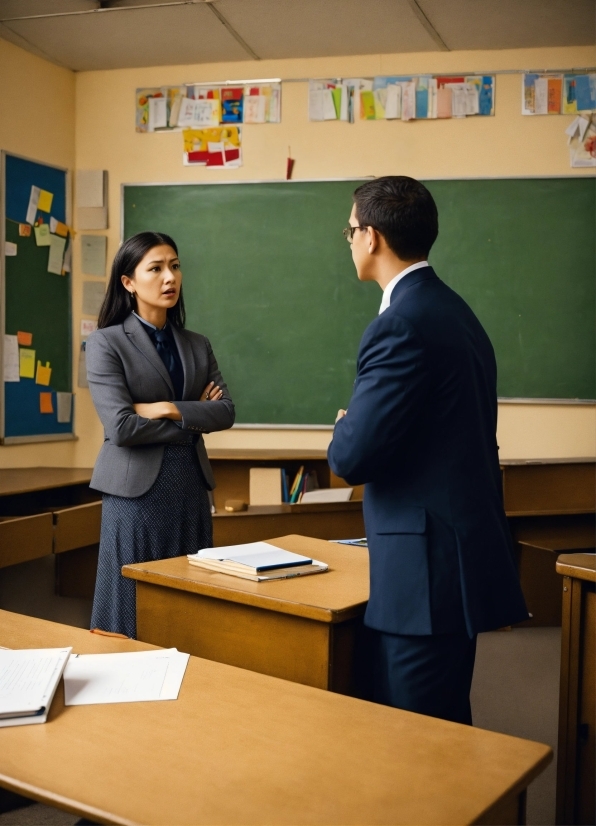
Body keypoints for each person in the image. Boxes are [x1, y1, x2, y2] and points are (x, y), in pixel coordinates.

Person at [327, 176, 528, 725]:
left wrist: (347, 426)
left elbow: (351, 457)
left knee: (420, 739)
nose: (348, 241)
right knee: (436, 727)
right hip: (448, 559)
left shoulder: (401, 325)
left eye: (349, 231)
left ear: (371, 237)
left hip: (425, 575)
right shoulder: (453, 311)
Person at [86, 231, 234, 638]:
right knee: (131, 606)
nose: (169, 277)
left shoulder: (196, 344)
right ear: (128, 282)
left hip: (190, 489)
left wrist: (168, 408)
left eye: (175, 266)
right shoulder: (105, 343)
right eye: (155, 268)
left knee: (190, 608)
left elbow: (225, 411)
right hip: (136, 496)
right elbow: (121, 427)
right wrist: (191, 420)